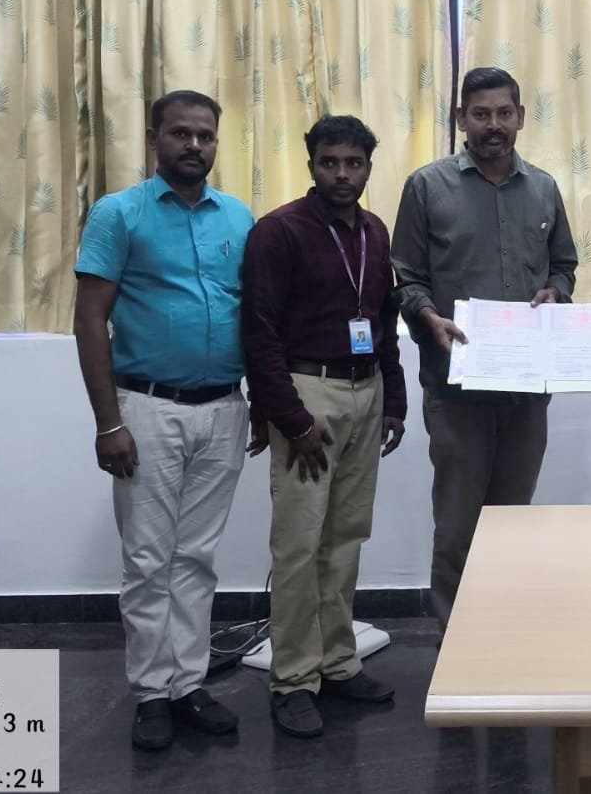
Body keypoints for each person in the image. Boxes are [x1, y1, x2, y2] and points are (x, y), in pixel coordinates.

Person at [73, 90, 256, 751]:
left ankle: (188, 684)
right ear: (154, 137)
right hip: (146, 409)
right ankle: (152, 692)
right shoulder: (119, 213)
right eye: (180, 133)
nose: (194, 145)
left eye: (205, 135)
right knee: (148, 559)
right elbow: (89, 319)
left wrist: (263, 403)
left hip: (225, 408)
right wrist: (108, 422)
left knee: (196, 557)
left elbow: (253, 315)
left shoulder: (237, 216)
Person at [391, 67, 578, 633]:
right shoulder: (427, 186)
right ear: (461, 119)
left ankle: (503, 635)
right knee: (457, 526)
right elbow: (405, 276)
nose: (493, 124)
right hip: (457, 389)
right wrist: (427, 316)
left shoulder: (543, 188)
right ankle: (457, 641)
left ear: (520, 117)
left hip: (526, 393)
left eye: (503, 113)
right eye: (481, 114)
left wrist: (556, 292)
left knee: (512, 523)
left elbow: (563, 265)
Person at [241, 115, 406, 739]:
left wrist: (395, 400)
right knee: (299, 545)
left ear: (368, 168)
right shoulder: (279, 231)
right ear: (311, 164)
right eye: (329, 162)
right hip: (307, 395)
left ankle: (338, 662)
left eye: (353, 163)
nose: (342, 174)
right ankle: (293, 680)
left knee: (345, 538)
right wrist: (290, 417)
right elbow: (259, 331)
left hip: (367, 390)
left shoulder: (374, 231)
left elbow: (382, 321)